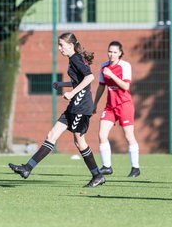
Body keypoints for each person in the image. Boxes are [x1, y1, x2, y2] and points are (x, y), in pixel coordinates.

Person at [8, 32, 105, 188]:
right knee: (51, 135)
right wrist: (63, 85)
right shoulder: (73, 60)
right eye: (58, 45)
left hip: (82, 106)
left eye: (62, 45)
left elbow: (90, 78)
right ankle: (27, 168)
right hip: (74, 106)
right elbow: (78, 81)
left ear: (71, 45)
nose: (60, 48)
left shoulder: (76, 59)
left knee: (80, 142)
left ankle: (97, 175)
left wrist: (72, 93)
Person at [93, 41, 140, 177]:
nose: (111, 54)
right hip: (110, 106)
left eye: (114, 52)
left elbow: (125, 87)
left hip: (124, 105)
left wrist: (112, 75)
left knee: (129, 136)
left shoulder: (125, 66)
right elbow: (101, 86)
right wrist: (95, 104)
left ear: (120, 53)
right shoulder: (103, 67)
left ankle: (135, 168)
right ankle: (107, 166)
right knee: (102, 135)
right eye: (110, 51)